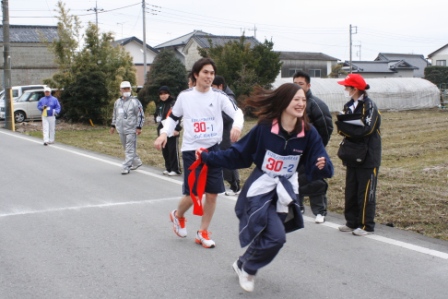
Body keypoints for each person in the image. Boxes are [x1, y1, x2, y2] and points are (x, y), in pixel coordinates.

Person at [196, 83, 334, 292]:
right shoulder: (265, 128)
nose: (301, 103)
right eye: (296, 99)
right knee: (276, 237)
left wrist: (322, 165)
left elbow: (320, 159)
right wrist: (208, 156)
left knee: (269, 234)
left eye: (303, 100)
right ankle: (249, 270)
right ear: (284, 101)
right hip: (261, 187)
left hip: (286, 190)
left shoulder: (308, 132)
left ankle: (242, 263)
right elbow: (238, 154)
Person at [154, 58, 244, 248]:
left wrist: (236, 126)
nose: (209, 76)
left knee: (212, 194)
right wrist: (163, 134)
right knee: (194, 193)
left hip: (212, 150)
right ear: (196, 75)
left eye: (212, 73)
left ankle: (203, 232)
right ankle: (178, 215)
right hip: (191, 151)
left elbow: (238, 113)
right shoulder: (185, 96)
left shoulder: (219, 96)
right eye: (205, 72)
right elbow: (173, 118)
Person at [335, 74, 381, 236]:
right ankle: (351, 222)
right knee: (351, 190)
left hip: (368, 156)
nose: (345, 89)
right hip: (352, 155)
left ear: (355, 89)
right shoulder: (349, 106)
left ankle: (366, 226)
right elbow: (340, 128)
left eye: (347, 86)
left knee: (366, 192)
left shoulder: (370, 106)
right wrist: (349, 129)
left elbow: (366, 129)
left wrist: (349, 130)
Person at [293, 71, 333, 223]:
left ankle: (320, 211)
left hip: (312, 151)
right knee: (296, 179)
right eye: (294, 83)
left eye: (300, 84)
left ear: (308, 86)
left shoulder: (316, 104)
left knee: (316, 180)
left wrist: (318, 148)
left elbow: (326, 128)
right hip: (296, 151)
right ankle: (298, 207)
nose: (297, 86)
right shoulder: (291, 104)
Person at [212, 75, 242, 196]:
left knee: (228, 159)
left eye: (213, 87)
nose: (211, 90)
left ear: (220, 86)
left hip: (227, 134)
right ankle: (229, 183)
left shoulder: (229, 98)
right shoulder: (219, 96)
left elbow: (230, 116)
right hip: (220, 134)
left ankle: (235, 186)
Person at [110, 81, 145, 175]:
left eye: (128, 89)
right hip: (121, 129)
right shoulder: (117, 102)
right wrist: (113, 125)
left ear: (130, 89)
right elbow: (115, 114)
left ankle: (126, 166)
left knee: (129, 148)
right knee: (127, 148)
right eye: (124, 89)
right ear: (120, 90)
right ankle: (137, 162)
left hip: (131, 129)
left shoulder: (135, 101)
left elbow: (140, 115)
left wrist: (139, 127)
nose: (126, 91)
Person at [154, 86, 182, 176]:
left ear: (169, 94)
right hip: (162, 130)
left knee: (172, 150)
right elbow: (156, 114)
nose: (163, 96)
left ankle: (175, 169)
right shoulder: (160, 105)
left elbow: (179, 116)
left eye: (165, 93)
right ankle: (168, 167)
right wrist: (156, 118)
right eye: (161, 94)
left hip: (172, 130)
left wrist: (177, 129)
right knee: (165, 150)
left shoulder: (173, 104)